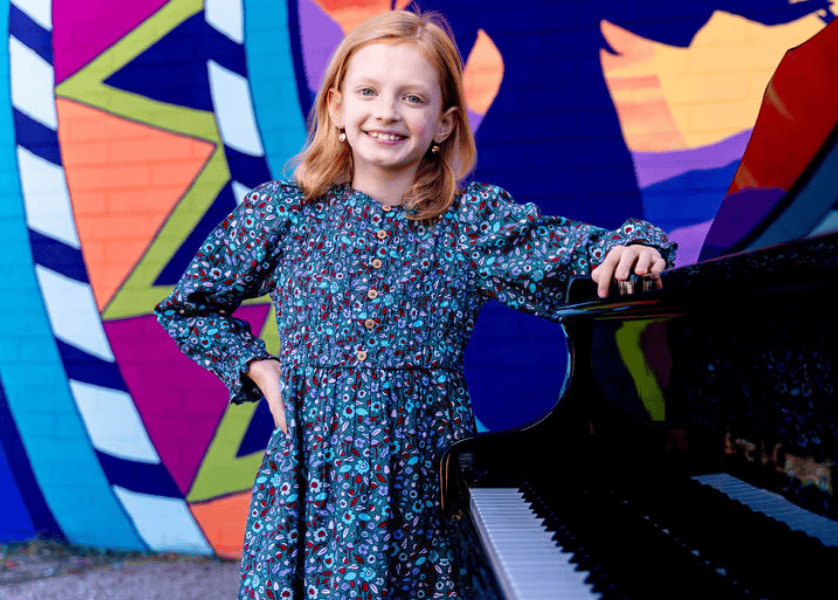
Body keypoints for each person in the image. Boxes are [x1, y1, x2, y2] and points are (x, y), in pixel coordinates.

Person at [155, 9, 676, 599]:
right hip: (314, 486)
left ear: (445, 124)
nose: (386, 112)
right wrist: (258, 367)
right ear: (335, 106)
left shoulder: (468, 223)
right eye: (369, 91)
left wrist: (636, 245)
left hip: (423, 481)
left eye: (412, 98)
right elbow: (189, 307)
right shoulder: (284, 213)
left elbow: (586, 254)